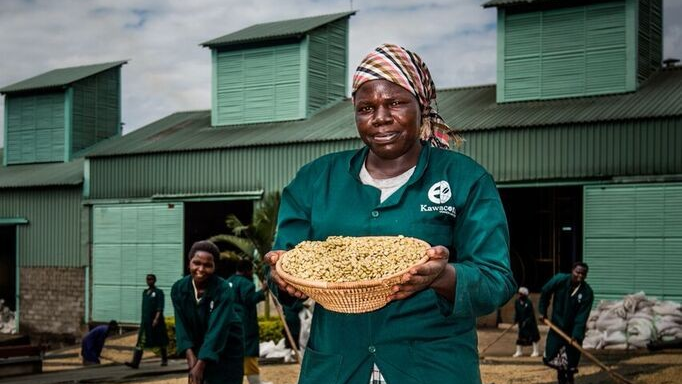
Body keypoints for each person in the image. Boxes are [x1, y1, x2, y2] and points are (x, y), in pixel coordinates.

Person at [264, 43, 516, 384]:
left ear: (421, 105)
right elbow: (287, 262)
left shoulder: (464, 179)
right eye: (366, 107)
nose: (381, 117)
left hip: (432, 368)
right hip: (339, 368)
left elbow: (496, 280)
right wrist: (283, 278)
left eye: (396, 102)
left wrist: (442, 277)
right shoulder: (315, 180)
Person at [171, 240, 244, 384]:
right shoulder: (179, 289)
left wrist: (200, 363)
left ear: (214, 267)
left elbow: (217, 328)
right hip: (201, 344)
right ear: (189, 263)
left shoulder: (223, 289)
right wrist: (191, 359)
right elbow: (181, 327)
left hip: (228, 344)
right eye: (196, 263)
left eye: (207, 265)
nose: (201, 269)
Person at [539, 262, 593, 384]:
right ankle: (561, 379)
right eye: (577, 272)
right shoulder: (560, 280)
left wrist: (576, 335)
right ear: (572, 271)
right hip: (557, 327)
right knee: (554, 357)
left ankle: (569, 379)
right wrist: (542, 311)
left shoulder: (587, 293)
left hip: (573, 331)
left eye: (583, 274)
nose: (580, 275)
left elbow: (582, 317)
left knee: (570, 362)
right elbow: (545, 291)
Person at [226, 259, 272, 384]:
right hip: (244, 325)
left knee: (235, 357)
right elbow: (249, 299)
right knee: (249, 354)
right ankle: (255, 382)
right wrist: (263, 290)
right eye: (251, 270)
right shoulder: (247, 284)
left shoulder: (228, 281)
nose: (252, 273)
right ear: (247, 270)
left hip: (229, 324)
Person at [125, 274, 169, 368]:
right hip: (146, 322)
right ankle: (135, 362)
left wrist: (156, 318)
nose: (149, 281)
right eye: (148, 279)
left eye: (151, 279)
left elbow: (160, 307)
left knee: (161, 340)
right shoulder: (145, 292)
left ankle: (164, 359)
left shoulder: (158, 292)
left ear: (155, 280)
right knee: (141, 340)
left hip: (156, 321)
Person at [513, 286, 540, 357]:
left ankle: (535, 351)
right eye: (519, 294)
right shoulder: (517, 302)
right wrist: (515, 320)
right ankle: (519, 352)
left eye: (521, 294)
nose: (520, 295)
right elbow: (517, 312)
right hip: (521, 323)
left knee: (534, 337)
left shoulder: (528, 302)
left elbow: (531, 314)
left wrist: (527, 321)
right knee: (520, 337)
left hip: (530, 323)